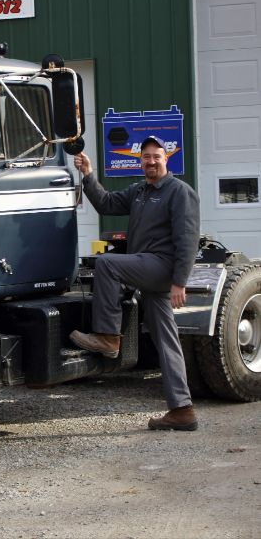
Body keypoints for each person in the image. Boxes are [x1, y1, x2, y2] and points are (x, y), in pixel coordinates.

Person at [71, 135, 201, 431]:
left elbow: (188, 239)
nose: (151, 161)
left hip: (162, 267)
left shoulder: (179, 192)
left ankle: (108, 336)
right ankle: (182, 410)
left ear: (166, 159)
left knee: (106, 263)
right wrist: (88, 174)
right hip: (148, 267)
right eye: (146, 157)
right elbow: (106, 204)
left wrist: (179, 281)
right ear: (140, 161)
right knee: (167, 343)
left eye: (156, 156)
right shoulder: (140, 192)